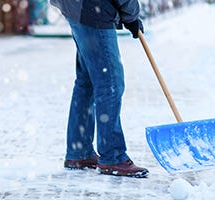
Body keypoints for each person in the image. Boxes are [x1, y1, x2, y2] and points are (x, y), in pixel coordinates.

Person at [50, 0, 148, 178]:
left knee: (86, 82)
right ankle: (113, 156)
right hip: (93, 10)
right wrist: (131, 16)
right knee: (110, 83)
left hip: (76, 8)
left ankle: (79, 151)